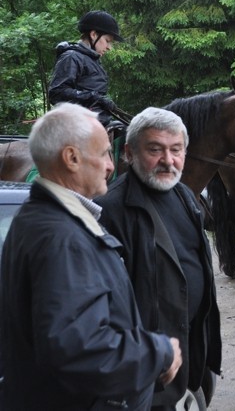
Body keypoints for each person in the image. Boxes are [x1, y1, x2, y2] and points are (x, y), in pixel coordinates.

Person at [0, 103, 181, 410]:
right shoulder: (61, 238)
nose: (111, 166)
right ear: (71, 158)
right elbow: (79, 350)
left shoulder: (43, 218)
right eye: (103, 154)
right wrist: (159, 351)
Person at [96, 107, 222, 410]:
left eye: (176, 150)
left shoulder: (185, 197)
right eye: (155, 149)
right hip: (148, 374)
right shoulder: (111, 211)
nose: (168, 160)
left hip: (193, 359)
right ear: (129, 152)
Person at [48, 10, 125, 128]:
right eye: (107, 41)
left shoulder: (92, 59)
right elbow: (57, 93)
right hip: (77, 126)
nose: (109, 47)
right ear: (93, 35)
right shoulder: (72, 57)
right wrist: (93, 97)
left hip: (96, 122)